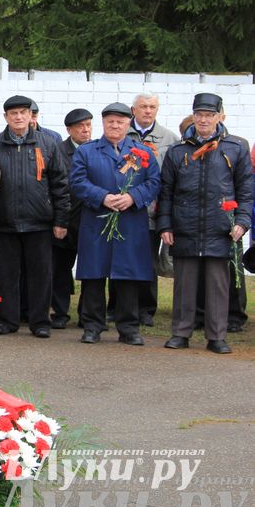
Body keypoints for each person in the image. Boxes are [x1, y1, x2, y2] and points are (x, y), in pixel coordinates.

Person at [158, 93, 253, 354]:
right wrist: (165, 225)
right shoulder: (178, 150)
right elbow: (166, 191)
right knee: (184, 285)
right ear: (193, 116)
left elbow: (245, 189)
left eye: (209, 115)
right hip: (185, 225)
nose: (203, 119)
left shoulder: (235, 147)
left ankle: (217, 336)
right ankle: (181, 332)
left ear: (220, 117)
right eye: (199, 114)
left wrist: (242, 221)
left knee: (218, 286)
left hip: (221, 227)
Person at [70, 102, 160, 346]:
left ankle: (129, 327)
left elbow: (154, 183)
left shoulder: (143, 152)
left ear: (128, 124)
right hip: (97, 221)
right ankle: (92, 325)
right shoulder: (86, 152)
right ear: (103, 123)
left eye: (120, 121)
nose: (115, 125)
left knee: (128, 276)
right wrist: (103, 197)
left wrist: (133, 197)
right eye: (110, 121)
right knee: (94, 276)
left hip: (130, 222)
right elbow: (77, 182)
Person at [0, 95, 69, 337]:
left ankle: (40, 322)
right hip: (5, 222)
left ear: (30, 115)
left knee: (41, 275)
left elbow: (60, 184)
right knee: (7, 275)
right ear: (6, 117)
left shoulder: (47, 143)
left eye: (23, 112)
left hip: (39, 222)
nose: (19, 117)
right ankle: (8, 320)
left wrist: (61, 220)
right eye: (13, 113)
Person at [110, 93, 179, 326]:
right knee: (119, 259)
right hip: (120, 208)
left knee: (147, 260)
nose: (148, 111)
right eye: (143, 107)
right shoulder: (122, 134)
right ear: (133, 110)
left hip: (150, 209)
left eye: (152, 107)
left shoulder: (169, 138)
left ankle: (146, 309)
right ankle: (116, 306)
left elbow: (170, 178)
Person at [51, 108, 93, 329]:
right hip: (66, 219)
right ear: (69, 130)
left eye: (88, 126)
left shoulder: (98, 149)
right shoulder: (58, 151)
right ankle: (60, 312)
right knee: (60, 269)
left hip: (91, 219)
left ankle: (88, 314)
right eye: (80, 127)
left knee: (90, 270)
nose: (85, 131)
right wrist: (60, 220)